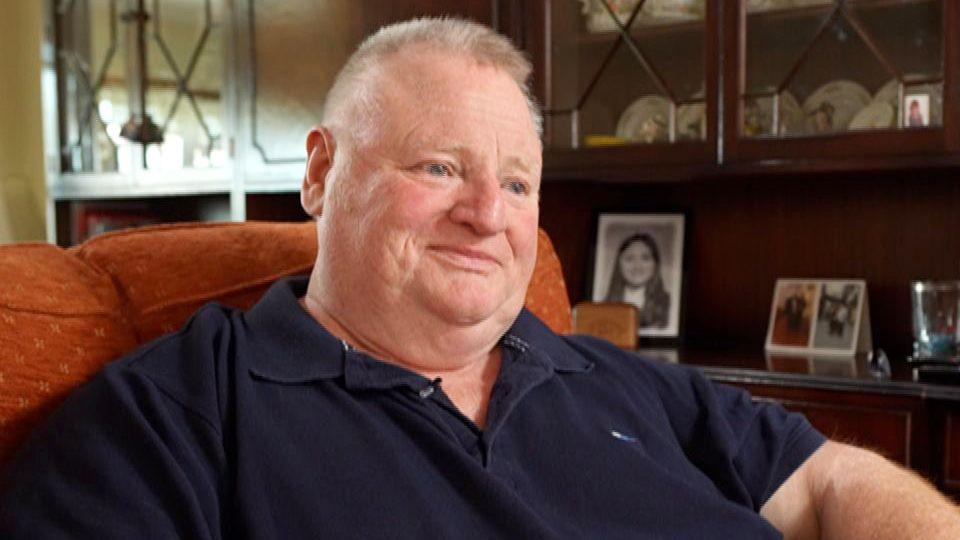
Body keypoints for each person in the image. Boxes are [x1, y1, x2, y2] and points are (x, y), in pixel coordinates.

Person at [3, 17, 959, 539]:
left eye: (515, 181)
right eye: (438, 168)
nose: (488, 214)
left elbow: (831, 483)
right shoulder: (170, 424)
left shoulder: (614, 379)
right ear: (321, 173)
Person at [603, 233, 670, 329]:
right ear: (619, 264)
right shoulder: (604, 306)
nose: (637, 266)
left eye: (645, 258)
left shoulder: (668, 304)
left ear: (656, 264)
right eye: (629, 259)